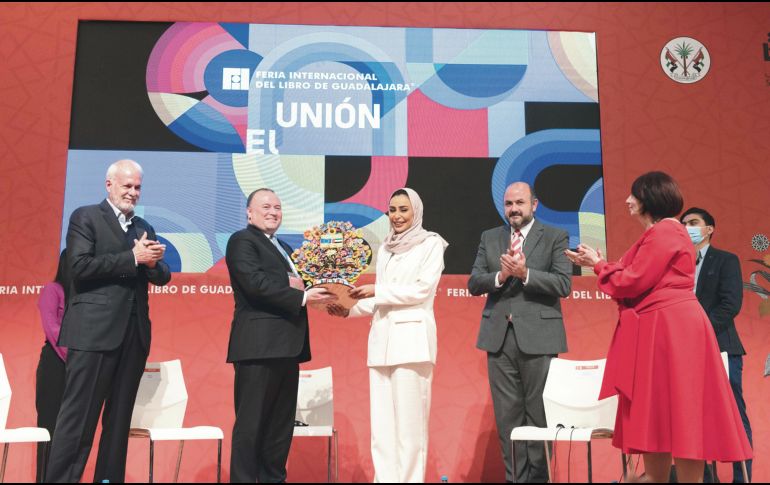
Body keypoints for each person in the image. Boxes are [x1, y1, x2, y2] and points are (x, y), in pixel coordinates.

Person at [566, 172, 752, 482]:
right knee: (661, 414)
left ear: (648, 199)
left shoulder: (666, 232)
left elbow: (630, 281)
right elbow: (632, 273)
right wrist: (599, 261)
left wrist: (599, 266)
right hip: (662, 328)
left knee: (683, 413)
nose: (627, 201)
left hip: (672, 330)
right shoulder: (660, 234)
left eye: (633, 196)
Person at [46, 159, 171, 483]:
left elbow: (162, 276)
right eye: (127, 185)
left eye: (137, 187)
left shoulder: (144, 227)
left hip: (133, 336)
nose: (132, 192)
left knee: (118, 425)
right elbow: (80, 266)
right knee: (78, 420)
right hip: (93, 335)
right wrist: (132, 258)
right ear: (109, 185)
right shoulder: (86, 217)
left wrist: (153, 263)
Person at [327, 188, 447, 483]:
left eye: (403, 209)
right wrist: (349, 309)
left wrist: (376, 290)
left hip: (412, 345)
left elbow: (421, 290)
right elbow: (380, 299)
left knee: (410, 429)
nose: (397, 216)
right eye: (392, 210)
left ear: (415, 211)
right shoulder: (385, 248)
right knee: (382, 429)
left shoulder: (431, 244)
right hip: (381, 345)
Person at [226, 188, 336, 483]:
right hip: (258, 347)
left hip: (288, 347)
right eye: (265, 206)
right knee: (251, 426)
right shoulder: (242, 241)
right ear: (249, 212)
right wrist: (303, 298)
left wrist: (334, 287)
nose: (273, 211)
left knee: (279, 430)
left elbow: (305, 283)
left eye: (277, 206)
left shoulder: (285, 248)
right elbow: (255, 284)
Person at [468, 182, 572, 483]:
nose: (514, 209)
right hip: (498, 338)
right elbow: (474, 283)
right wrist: (501, 276)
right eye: (509, 203)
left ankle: (539, 480)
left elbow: (563, 285)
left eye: (520, 203)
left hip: (539, 337)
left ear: (534, 205)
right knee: (507, 420)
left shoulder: (554, 236)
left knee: (539, 417)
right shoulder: (490, 238)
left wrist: (525, 274)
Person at [681, 207, 752, 483]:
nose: (688, 227)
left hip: (722, 348)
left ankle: (741, 478)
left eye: (694, 223)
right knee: (695, 421)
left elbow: (730, 304)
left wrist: (699, 331)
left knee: (733, 417)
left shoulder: (725, 260)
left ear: (709, 228)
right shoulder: (675, 263)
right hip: (685, 354)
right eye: (684, 223)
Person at [35, 249, 70, 482]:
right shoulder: (52, 290)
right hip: (55, 366)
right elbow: (53, 329)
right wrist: (78, 359)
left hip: (79, 369)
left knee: (71, 434)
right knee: (49, 429)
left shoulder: (86, 297)